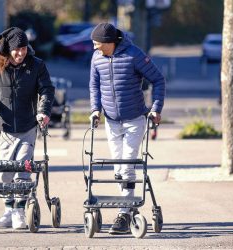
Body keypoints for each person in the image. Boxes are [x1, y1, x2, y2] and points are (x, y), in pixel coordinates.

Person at [88, 23, 165, 234]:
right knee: (118, 169)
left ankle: (124, 213)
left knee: (127, 165)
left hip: (134, 119)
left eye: (97, 44)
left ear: (109, 43)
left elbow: (158, 79)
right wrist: (96, 109)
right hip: (111, 121)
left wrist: (156, 109)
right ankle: (125, 206)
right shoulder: (97, 58)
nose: (94, 48)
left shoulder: (133, 54)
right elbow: (94, 85)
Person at [0, 27, 55, 229]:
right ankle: (8, 210)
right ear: (7, 49)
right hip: (3, 127)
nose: (21, 53)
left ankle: (20, 211)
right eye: (16, 50)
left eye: (24, 49)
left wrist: (43, 111)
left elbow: (47, 89)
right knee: (4, 172)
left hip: (28, 125)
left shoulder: (36, 65)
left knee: (22, 167)